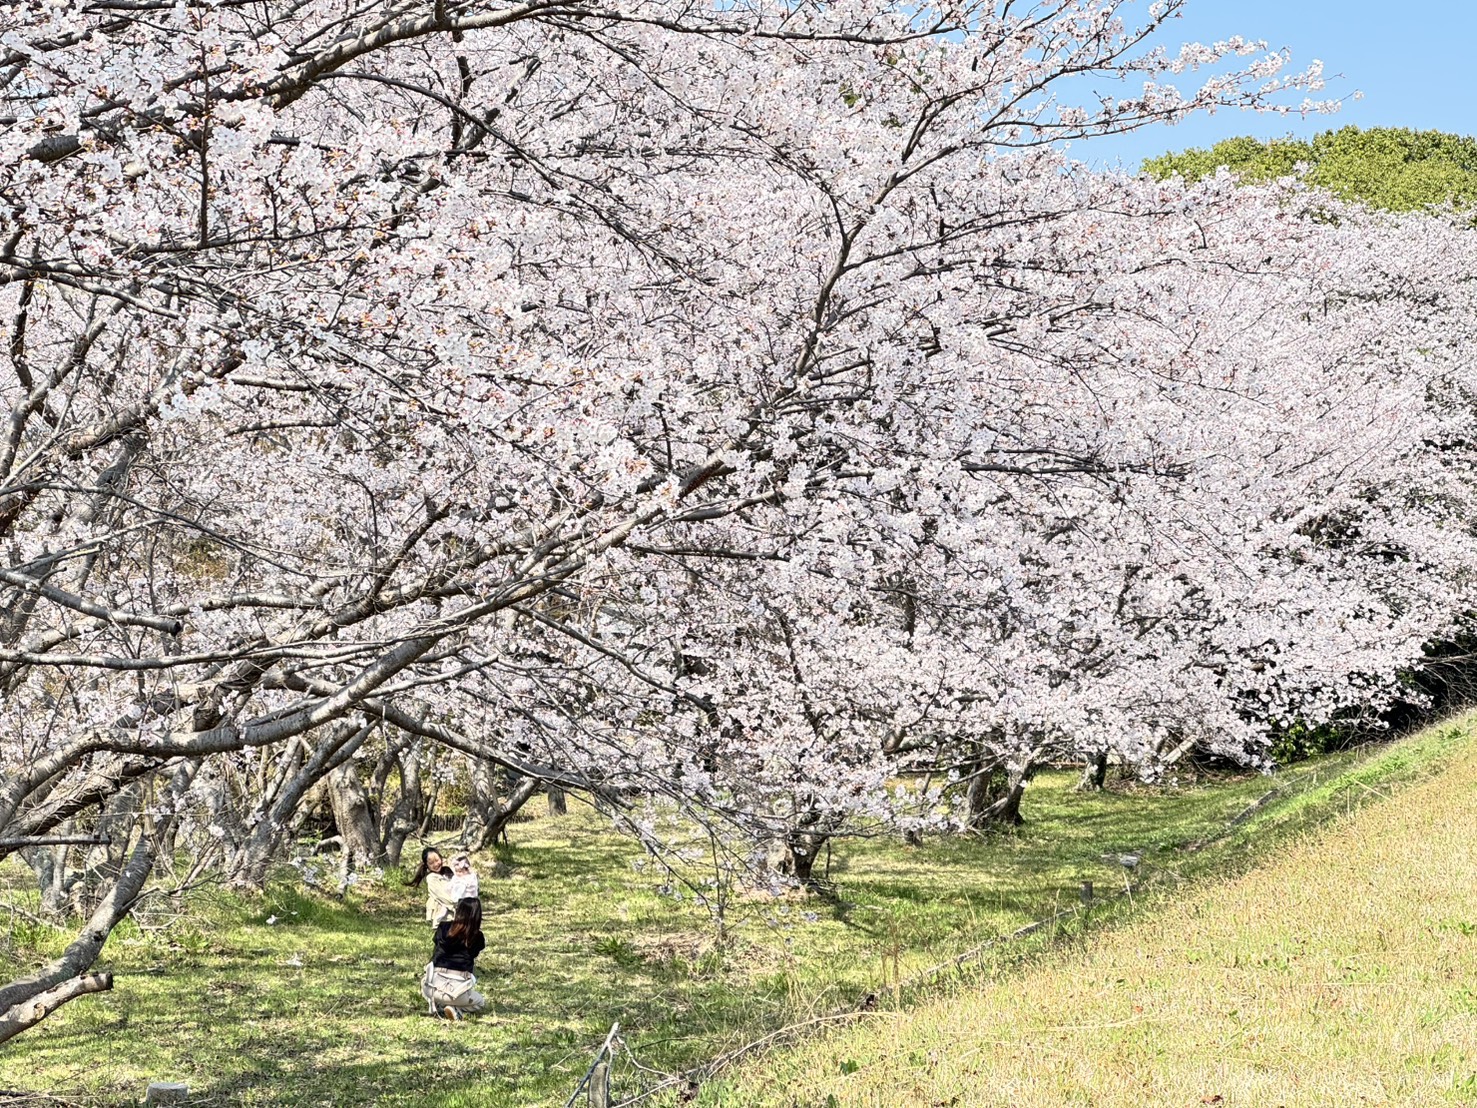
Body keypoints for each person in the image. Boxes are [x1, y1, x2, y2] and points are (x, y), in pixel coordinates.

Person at [420, 897, 487, 1020]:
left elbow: (436, 945)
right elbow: (474, 953)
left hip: (431, 987)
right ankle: (456, 1008)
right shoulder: (477, 937)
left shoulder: (443, 927)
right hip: (457, 992)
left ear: (458, 911)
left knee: (427, 982)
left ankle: (438, 1004)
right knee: (480, 1002)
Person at [405, 846, 457, 927]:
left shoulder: (447, 871)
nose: (436, 864)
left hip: (453, 916)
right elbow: (442, 897)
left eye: (437, 860)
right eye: (431, 863)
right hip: (443, 918)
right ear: (426, 865)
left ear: (441, 858)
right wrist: (458, 905)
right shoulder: (431, 878)